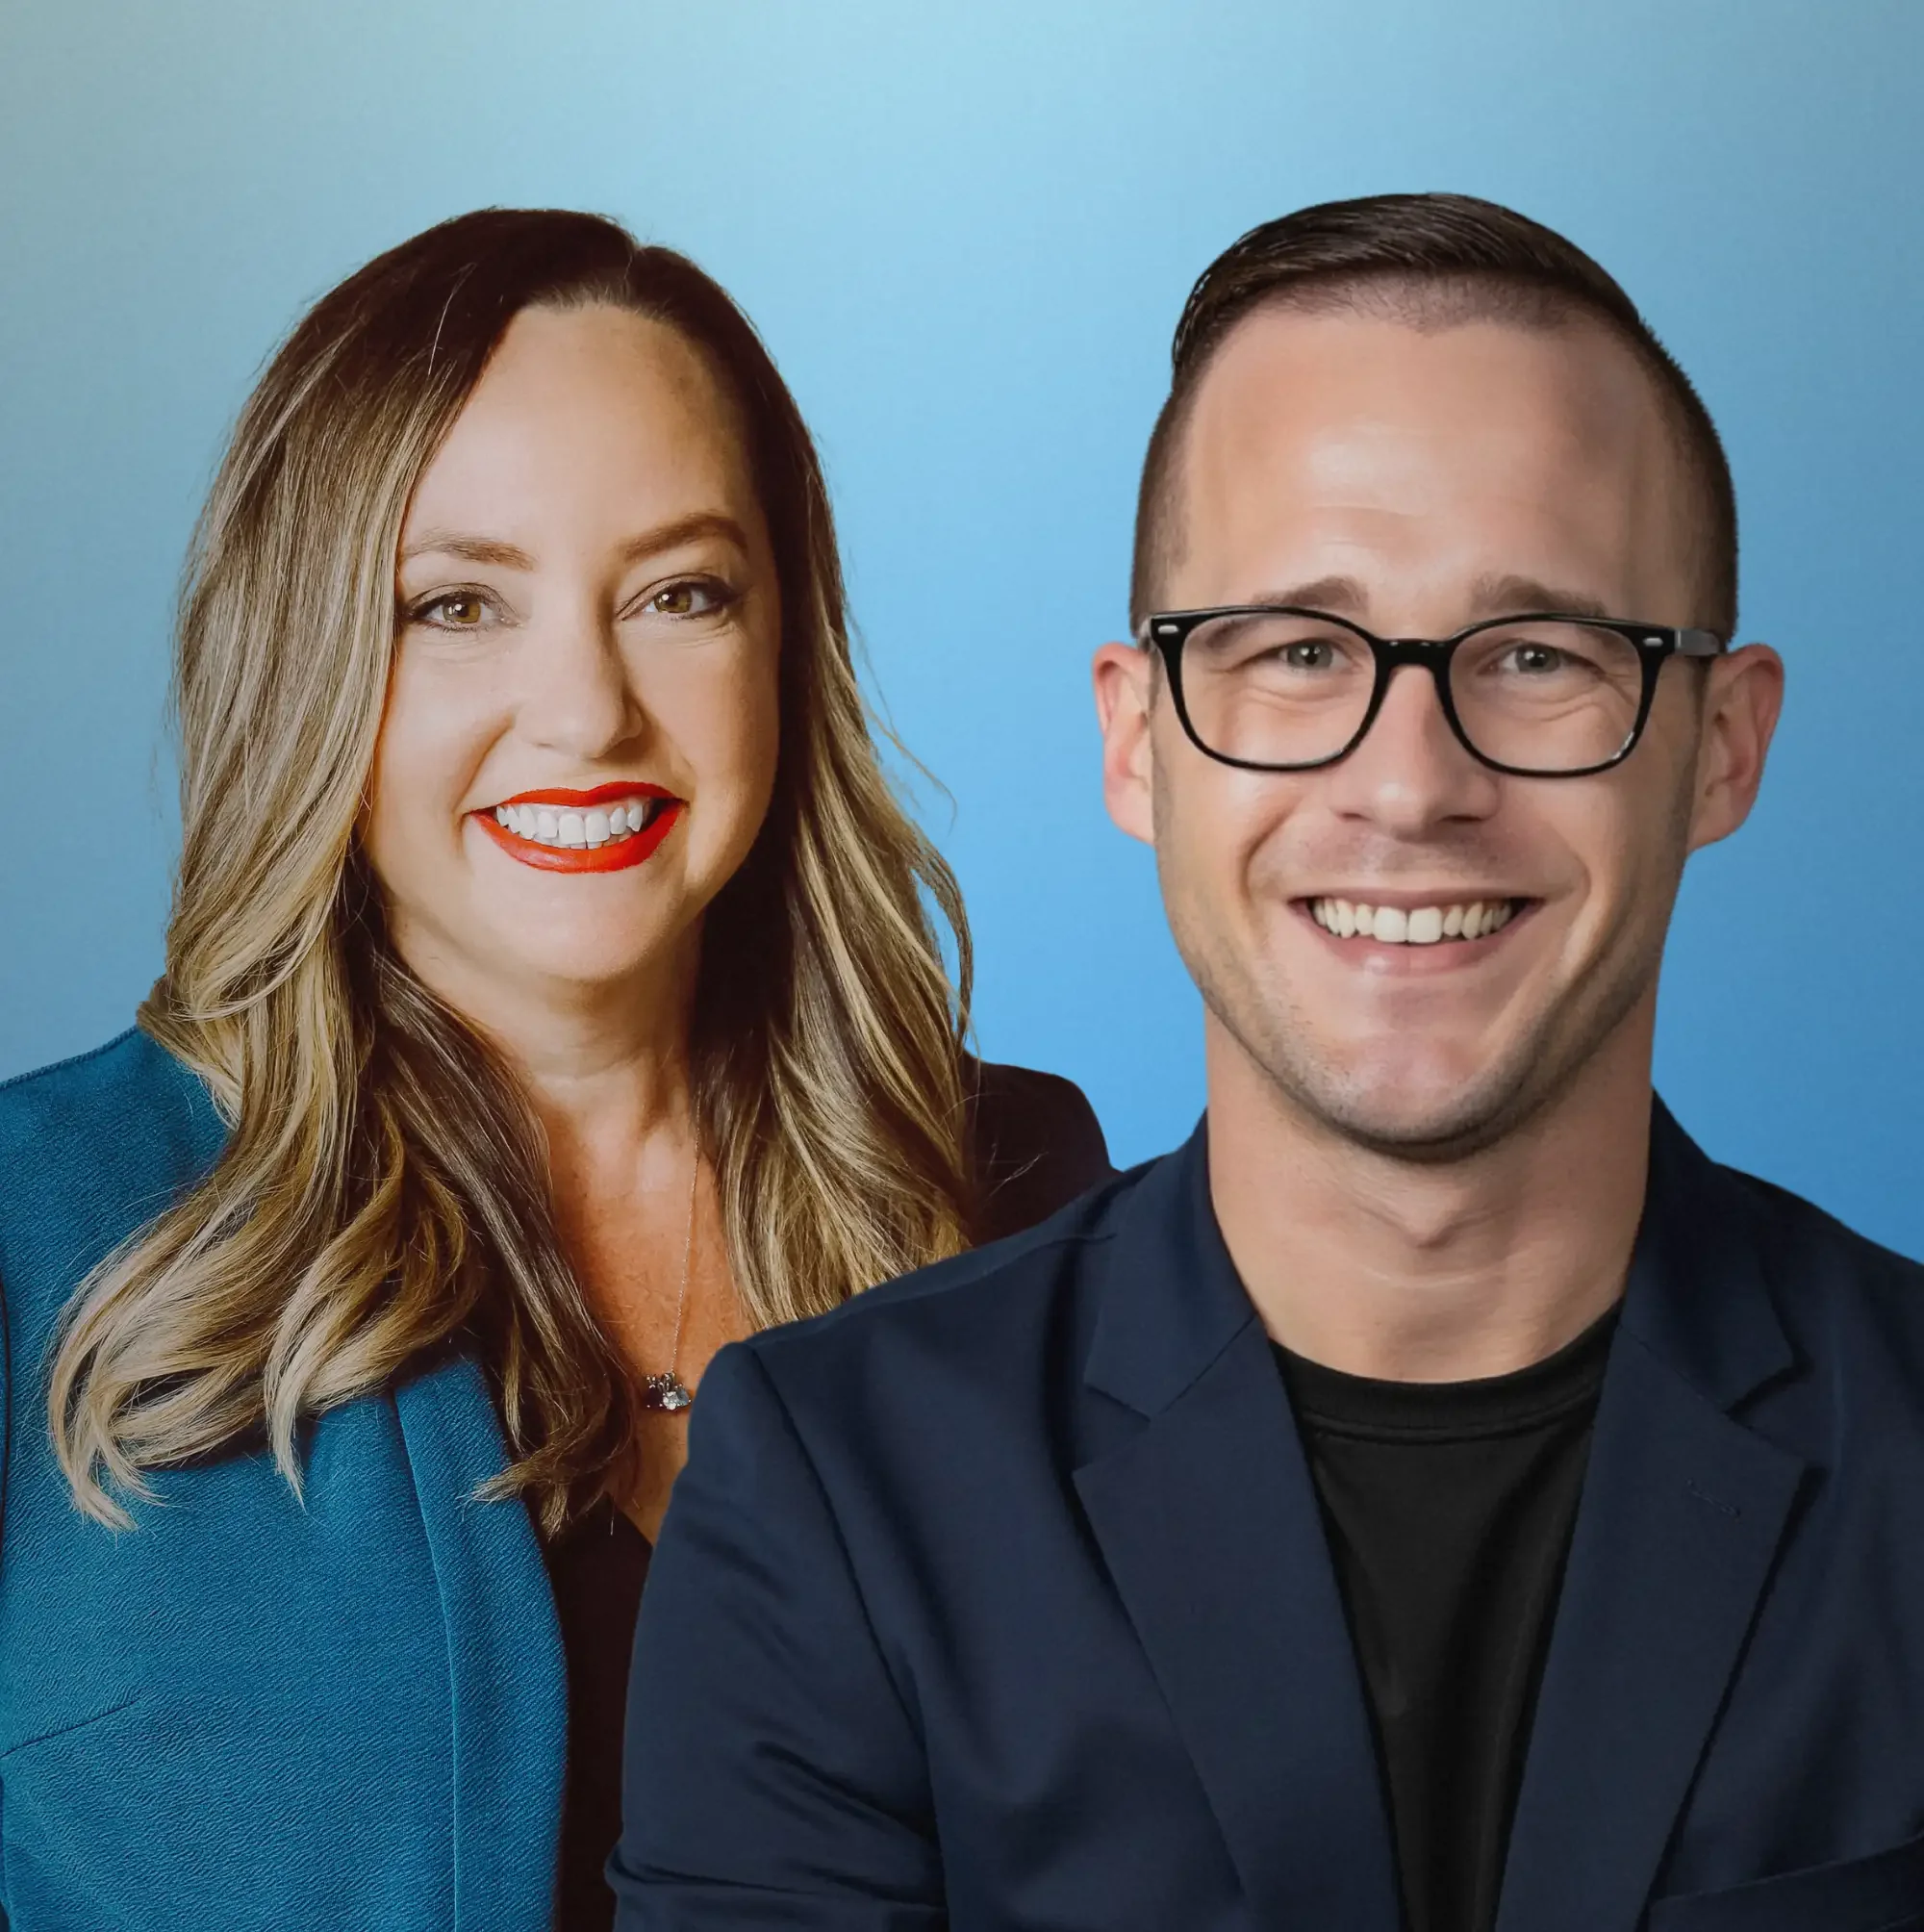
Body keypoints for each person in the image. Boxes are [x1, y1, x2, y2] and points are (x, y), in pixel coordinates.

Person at [617, 193, 1924, 1931]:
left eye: (1537, 656)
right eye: (1296, 653)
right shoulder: (840, 1495)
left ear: (1723, 749)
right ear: (1138, 741)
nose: (1408, 784)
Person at [0, 208, 1108, 1932]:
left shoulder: (1020, 1185)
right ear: (310, 667)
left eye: (680, 594)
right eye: (457, 605)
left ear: (786, 646)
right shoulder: (37, 1225)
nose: (585, 712)